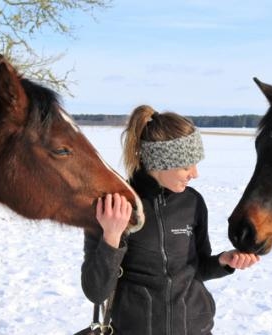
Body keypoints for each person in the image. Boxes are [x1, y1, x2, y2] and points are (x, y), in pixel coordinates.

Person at [81, 105, 260, 335]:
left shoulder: (193, 203)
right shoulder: (114, 207)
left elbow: (198, 268)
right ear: (160, 162)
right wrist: (111, 236)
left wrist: (224, 262)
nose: (195, 174)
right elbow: (96, 292)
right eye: (187, 165)